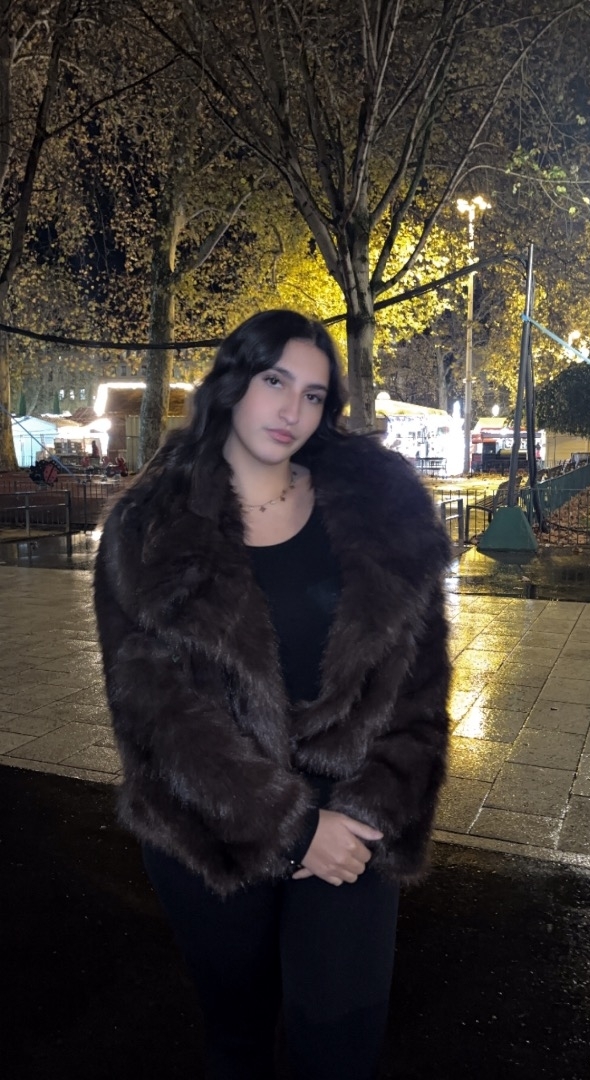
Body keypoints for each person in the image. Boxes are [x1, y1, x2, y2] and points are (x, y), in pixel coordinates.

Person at [94, 309, 452, 1080]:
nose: (293, 409)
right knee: (239, 1039)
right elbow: (153, 713)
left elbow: (419, 690)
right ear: (232, 382)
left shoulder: (381, 508)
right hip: (212, 825)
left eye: (314, 395)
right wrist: (291, 828)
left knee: (340, 1047)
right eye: (274, 381)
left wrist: (366, 813)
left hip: (353, 819)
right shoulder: (149, 529)